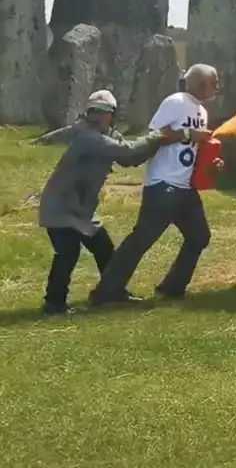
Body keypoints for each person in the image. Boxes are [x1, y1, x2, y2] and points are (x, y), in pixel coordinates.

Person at [35, 90, 184, 315]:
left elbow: (130, 158)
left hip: (81, 210)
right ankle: (53, 304)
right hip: (61, 206)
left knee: (103, 247)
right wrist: (157, 137)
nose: (97, 116)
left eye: (102, 111)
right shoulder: (87, 136)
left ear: (112, 115)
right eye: (93, 111)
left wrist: (160, 142)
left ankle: (112, 291)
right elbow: (124, 150)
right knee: (67, 253)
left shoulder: (107, 134)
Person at [89, 64, 222, 307]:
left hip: (185, 187)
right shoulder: (176, 102)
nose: (218, 87)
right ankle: (105, 293)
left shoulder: (201, 111)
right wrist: (188, 134)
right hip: (164, 184)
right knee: (141, 240)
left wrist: (211, 163)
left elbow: (190, 149)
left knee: (199, 236)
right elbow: (155, 135)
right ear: (201, 83)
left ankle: (171, 288)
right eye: (215, 82)